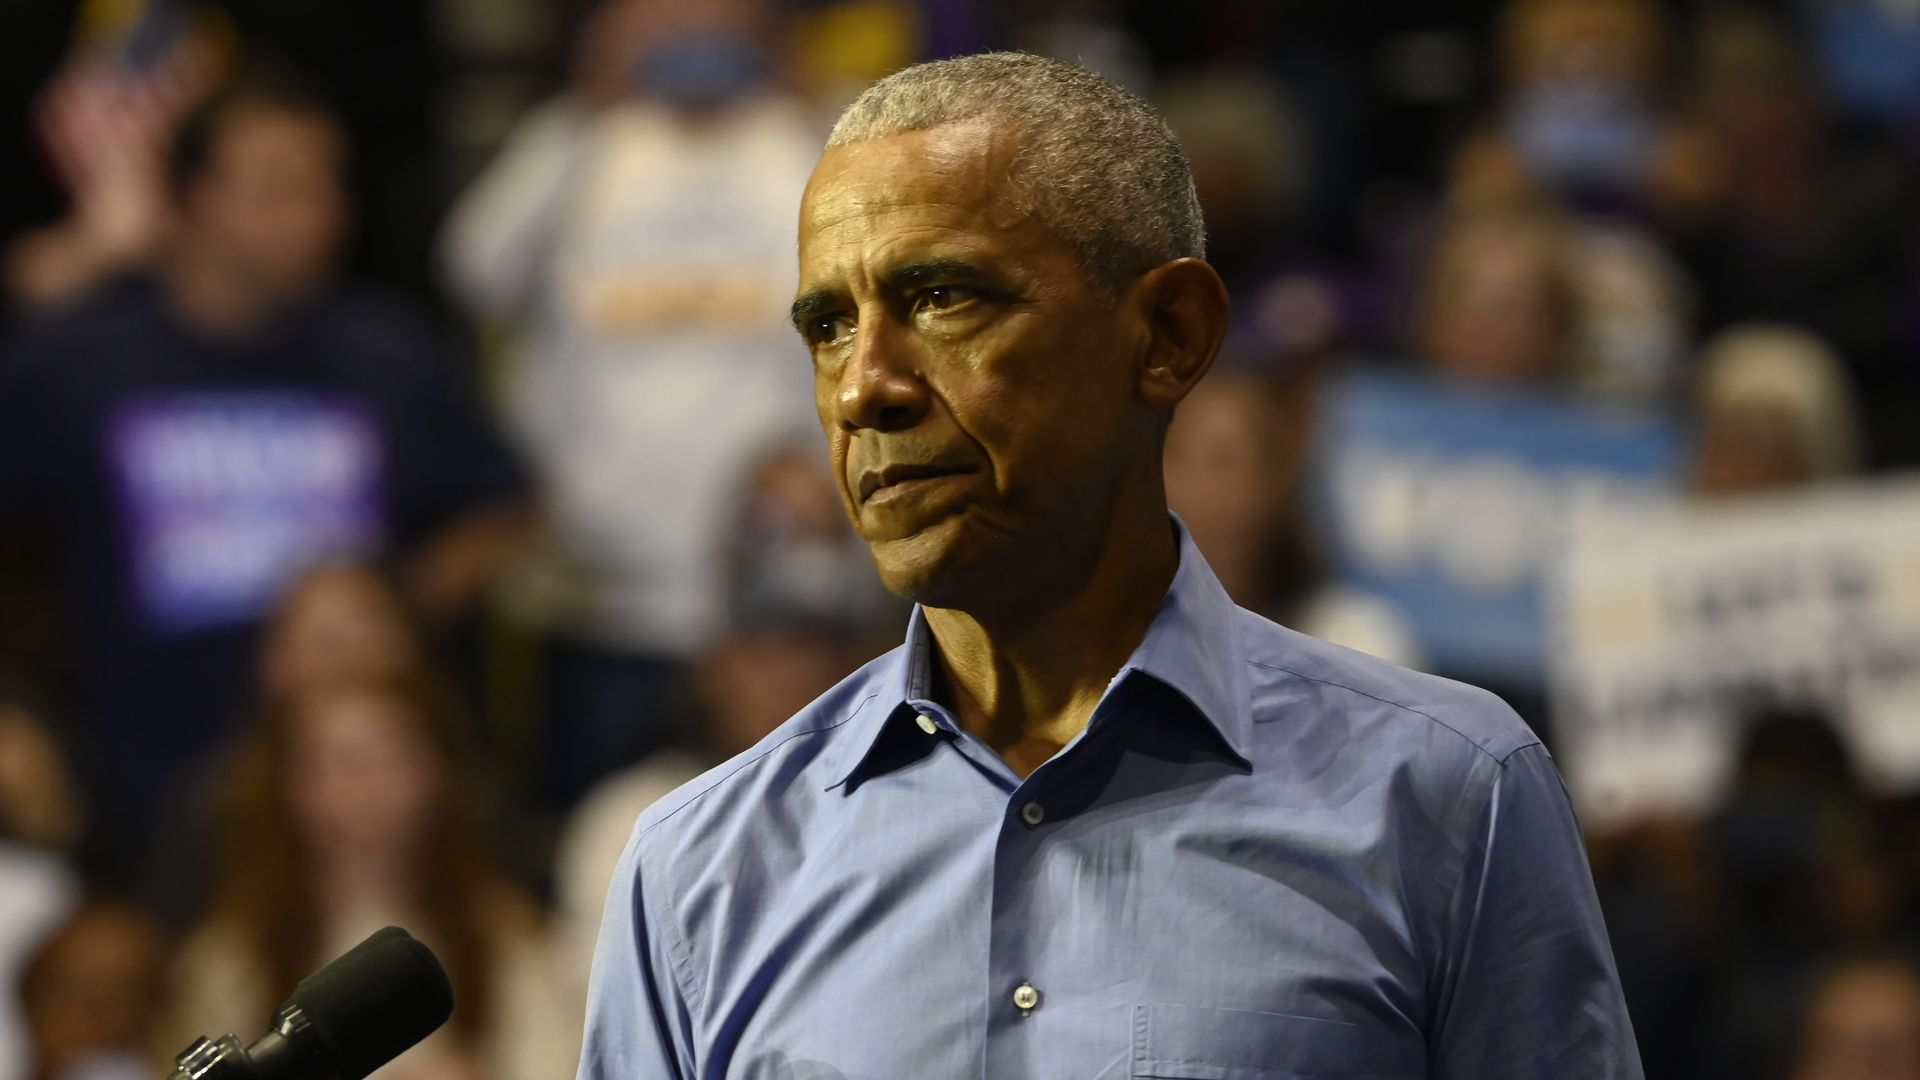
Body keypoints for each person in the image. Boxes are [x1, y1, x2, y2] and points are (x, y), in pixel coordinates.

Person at [578, 52, 1641, 1078]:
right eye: (826, 325)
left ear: (1170, 335)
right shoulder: (696, 872)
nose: (866, 387)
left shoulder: (1451, 797)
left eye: (945, 297)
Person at [0, 68, 530, 884]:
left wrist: (394, 608)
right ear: (191, 201)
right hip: (145, 787)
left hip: (363, 798)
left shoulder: (383, 350)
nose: (322, 212)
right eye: (283, 187)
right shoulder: (80, 361)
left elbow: (504, 503)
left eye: (330, 182)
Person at [439, 0, 822, 810]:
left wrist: (808, 95)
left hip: (778, 608)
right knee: (600, 847)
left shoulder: (804, 137)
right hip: (604, 594)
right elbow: (471, 267)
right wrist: (582, 108)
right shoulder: (585, 141)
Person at [160, 669, 571, 1080]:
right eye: (341, 762)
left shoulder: (502, 934)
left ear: (435, 774)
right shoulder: (233, 953)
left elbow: (555, 1063)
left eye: (388, 758)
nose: (366, 787)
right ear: (290, 786)